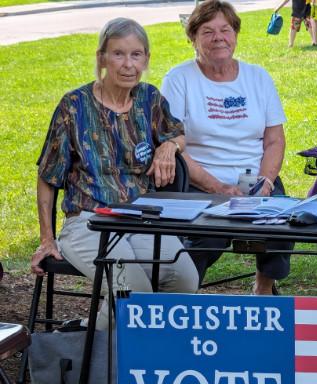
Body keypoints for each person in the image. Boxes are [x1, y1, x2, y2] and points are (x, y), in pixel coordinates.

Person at [30, 18, 199, 330]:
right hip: (88, 221)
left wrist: (168, 147)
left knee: (185, 280)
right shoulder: (74, 105)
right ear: (102, 58)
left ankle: (96, 332)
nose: (128, 65)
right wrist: (46, 238)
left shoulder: (149, 99)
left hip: (141, 218)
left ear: (146, 59)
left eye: (136, 55)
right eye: (118, 54)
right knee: (133, 293)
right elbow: (47, 176)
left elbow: (177, 134)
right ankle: (91, 346)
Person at [161, 0, 294, 295]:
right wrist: (217, 187)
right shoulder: (179, 79)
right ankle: (182, 295)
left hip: (256, 177)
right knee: (204, 236)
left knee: (282, 221)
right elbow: (175, 146)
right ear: (192, 38)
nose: (218, 37)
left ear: (235, 34)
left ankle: (263, 288)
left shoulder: (257, 77)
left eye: (225, 29)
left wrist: (267, 180)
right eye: (207, 31)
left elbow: (274, 139)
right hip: (199, 180)